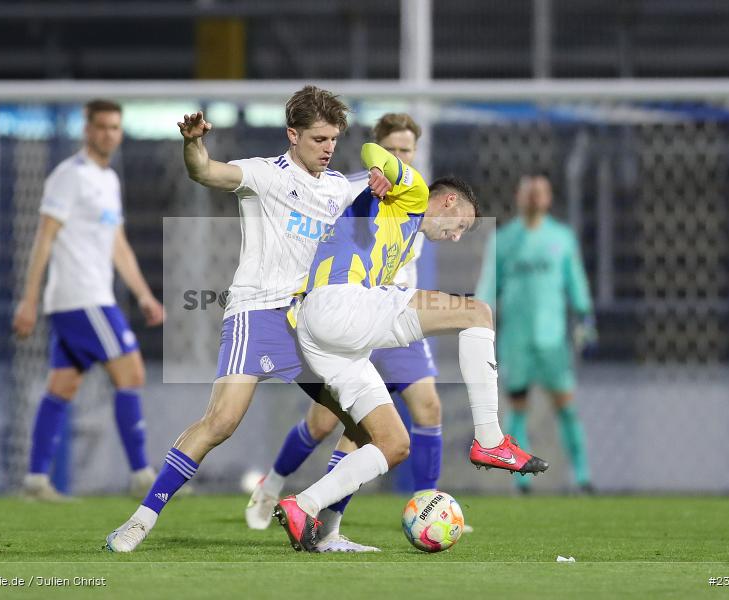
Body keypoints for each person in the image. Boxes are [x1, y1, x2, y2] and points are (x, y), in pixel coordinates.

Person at [106, 86, 365, 553]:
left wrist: (393, 178)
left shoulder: (339, 186)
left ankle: (325, 532)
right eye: (319, 139)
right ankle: (140, 520)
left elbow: (381, 182)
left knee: (365, 423)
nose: (328, 148)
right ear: (293, 135)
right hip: (259, 312)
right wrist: (193, 144)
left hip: (309, 322)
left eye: (333, 140)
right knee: (221, 422)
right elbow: (204, 171)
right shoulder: (263, 174)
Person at [273, 143, 549, 552]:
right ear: (450, 200)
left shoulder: (403, 234)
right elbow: (371, 149)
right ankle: (490, 440)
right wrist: (380, 171)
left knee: (393, 443)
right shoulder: (416, 193)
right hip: (336, 305)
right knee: (478, 313)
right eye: (460, 225)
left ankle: (305, 507)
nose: (455, 237)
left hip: (325, 337)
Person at [246, 114, 452, 543]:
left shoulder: (418, 194)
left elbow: (425, 240)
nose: (400, 156)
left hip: (395, 314)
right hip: (350, 313)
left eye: (407, 150)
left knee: (428, 407)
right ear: (378, 148)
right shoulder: (352, 186)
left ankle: (428, 505)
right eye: (392, 150)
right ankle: (274, 485)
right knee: (329, 426)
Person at [13, 99, 165, 500]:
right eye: (101, 126)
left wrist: (144, 295)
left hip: (81, 299)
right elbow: (44, 238)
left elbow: (118, 246)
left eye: (115, 127)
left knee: (62, 386)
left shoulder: (108, 180)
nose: (108, 134)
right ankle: (140, 476)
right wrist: (28, 300)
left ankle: (34, 480)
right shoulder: (70, 176)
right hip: (83, 297)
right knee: (131, 372)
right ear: (87, 130)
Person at [475, 174, 595, 494]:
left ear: (549, 197)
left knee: (565, 403)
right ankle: (522, 479)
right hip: (516, 337)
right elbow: (489, 286)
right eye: (529, 192)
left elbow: (575, 281)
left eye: (540, 192)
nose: (534, 197)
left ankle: (583, 476)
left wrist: (585, 316)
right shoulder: (504, 238)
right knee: (517, 405)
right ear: (518, 196)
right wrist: (479, 324)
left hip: (552, 338)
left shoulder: (561, 238)